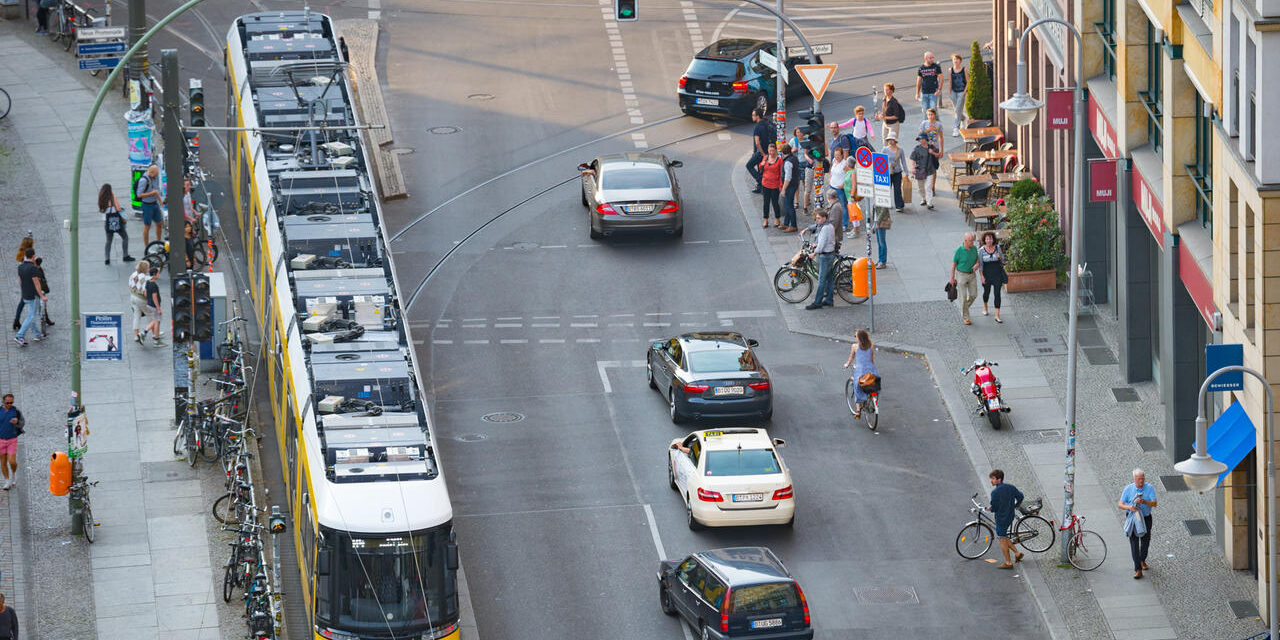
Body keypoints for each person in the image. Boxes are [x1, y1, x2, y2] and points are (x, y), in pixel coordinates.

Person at [1119, 468, 1157, 579]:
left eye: (1143, 478)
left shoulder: (1149, 488)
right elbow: (1120, 504)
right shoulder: (1128, 489)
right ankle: (1138, 569)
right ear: (1134, 479)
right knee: (1134, 543)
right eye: (1139, 479)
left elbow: (1154, 503)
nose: (1141, 481)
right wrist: (1129, 507)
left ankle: (1142, 560)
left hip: (1145, 517)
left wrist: (1145, 501)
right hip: (1133, 518)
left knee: (1145, 542)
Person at [988, 469, 1025, 569]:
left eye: (993, 479)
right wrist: (1015, 505)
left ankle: (1008, 563)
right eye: (990, 479)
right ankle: (1017, 553)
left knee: (1002, 539)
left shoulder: (995, 492)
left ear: (999, 479)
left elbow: (994, 508)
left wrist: (990, 508)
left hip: (1001, 518)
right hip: (1010, 515)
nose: (991, 481)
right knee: (1003, 535)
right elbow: (1021, 496)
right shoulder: (1011, 487)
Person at [804, 209, 837, 310]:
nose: (817, 220)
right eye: (816, 218)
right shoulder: (829, 226)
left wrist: (814, 253)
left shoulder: (825, 228)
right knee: (829, 279)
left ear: (824, 218)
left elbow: (822, 244)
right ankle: (829, 300)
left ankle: (817, 302)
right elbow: (827, 241)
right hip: (830, 254)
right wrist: (817, 244)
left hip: (825, 256)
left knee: (821, 280)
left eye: (818, 218)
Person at [842, 329, 879, 418]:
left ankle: (858, 411)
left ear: (859, 338)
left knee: (857, 387)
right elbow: (871, 359)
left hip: (861, 370)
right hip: (870, 369)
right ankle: (871, 398)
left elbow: (851, 358)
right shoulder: (871, 346)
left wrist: (847, 364)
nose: (855, 338)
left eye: (856, 336)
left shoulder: (854, 346)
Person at [13, 249, 45, 346]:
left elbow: (20, 281)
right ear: (33, 256)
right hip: (32, 295)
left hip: (25, 294)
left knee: (31, 315)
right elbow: (37, 283)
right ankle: (19, 335)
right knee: (31, 316)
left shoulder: (20, 267)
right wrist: (42, 296)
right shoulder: (33, 269)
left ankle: (37, 334)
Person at [99, 183, 135, 266]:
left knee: (108, 241)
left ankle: (107, 258)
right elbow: (118, 209)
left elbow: (102, 210)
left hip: (107, 222)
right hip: (116, 221)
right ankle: (125, 255)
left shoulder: (101, 199)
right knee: (125, 237)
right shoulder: (112, 197)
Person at [949, 232, 980, 325]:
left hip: (972, 274)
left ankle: (964, 308)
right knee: (962, 297)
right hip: (961, 275)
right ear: (965, 241)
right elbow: (953, 265)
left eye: (973, 241)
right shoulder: (959, 250)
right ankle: (966, 317)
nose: (972, 243)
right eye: (970, 241)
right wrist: (952, 278)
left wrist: (977, 264)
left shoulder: (974, 249)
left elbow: (977, 259)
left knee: (973, 295)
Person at [978, 231, 1007, 322]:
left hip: (997, 274)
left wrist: (1000, 257)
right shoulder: (981, 250)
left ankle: (997, 315)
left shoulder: (997, 248)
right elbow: (981, 265)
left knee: (997, 294)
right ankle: (985, 307)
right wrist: (982, 276)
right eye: (987, 239)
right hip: (987, 274)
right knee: (986, 292)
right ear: (984, 240)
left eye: (990, 238)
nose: (989, 240)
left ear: (993, 239)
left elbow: (1003, 260)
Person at [909, 133, 940, 209]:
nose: (921, 140)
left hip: (930, 170)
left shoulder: (932, 147)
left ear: (926, 139)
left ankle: (929, 203)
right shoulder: (916, 149)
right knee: (920, 188)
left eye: (922, 139)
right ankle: (924, 198)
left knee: (928, 187)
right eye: (920, 139)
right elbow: (913, 159)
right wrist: (913, 168)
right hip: (920, 170)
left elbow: (938, 155)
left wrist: (932, 152)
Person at [757, 143, 784, 229]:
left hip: (775, 184)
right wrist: (762, 163)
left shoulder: (779, 160)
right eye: (770, 151)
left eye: (773, 150)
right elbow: (760, 167)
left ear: (776, 150)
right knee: (766, 202)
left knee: (775, 202)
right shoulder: (765, 158)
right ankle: (765, 219)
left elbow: (781, 174)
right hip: (765, 183)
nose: (771, 152)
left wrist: (780, 185)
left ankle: (777, 218)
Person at [136, 164, 163, 248]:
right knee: (147, 226)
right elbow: (139, 194)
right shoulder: (144, 180)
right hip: (147, 205)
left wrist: (160, 201)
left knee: (159, 223)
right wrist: (151, 193)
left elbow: (156, 191)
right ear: (151, 173)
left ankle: (159, 243)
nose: (157, 176)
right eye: (156, 174)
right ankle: (146, 246)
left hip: (154, 203)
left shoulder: (154, 177)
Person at [746, 109, 773, 193]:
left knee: (749, 165)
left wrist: (762, 154)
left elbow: (757, 143)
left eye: (753, 115)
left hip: (762, 152)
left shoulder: (757, 127)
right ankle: (760, 188)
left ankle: (761, 181)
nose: (752, 117)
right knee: (762, 169)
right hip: (770, 151)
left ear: (758, 116)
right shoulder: (767, 123)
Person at [11, 236, 32, 332]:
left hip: (23, 279)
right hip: (28, 280)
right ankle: (17, 321)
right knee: (28, 300)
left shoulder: (21, 253)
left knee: (22, 301)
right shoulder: (27, 255)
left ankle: (16, 320)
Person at [947, 53, 970, 137]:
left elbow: (968, 81)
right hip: (953, 91)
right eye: (954, 59)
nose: (955, 61)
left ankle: (956, 128)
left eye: (957, 59)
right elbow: (950, 81)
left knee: (957, 110)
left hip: (961, 91)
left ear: (960, 60)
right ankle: (963, 118)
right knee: (958, 109)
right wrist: (949, 92)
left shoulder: (964, 69)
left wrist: (964, 91)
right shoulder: (950, 70)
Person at [779, 144, 801, 232]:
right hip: (795, 183)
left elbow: (788, 177)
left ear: (783, 152)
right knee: (788, 204)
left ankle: (793, 225)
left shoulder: (787, 162)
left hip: (789, 185)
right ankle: (786, 223)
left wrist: (783, 189)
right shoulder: (794, 158)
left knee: (789, 205)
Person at [129, 260, 152, 343]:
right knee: (150, 314)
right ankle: (154, 332)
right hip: (141, 299)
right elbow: (145, 292)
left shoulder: (133, 274)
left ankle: (136, 335)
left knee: (136, 316)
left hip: (133, 297)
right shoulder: (144, 278)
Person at [884, 132, 907, 212]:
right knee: (886, 188)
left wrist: (906, 172)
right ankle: (886, 203)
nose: (890, 141)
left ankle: (899, 206)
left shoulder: (900, 150)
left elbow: (903, 161)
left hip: (897, 172)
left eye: (892, 139)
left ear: (895, 140)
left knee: (897, 189)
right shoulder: (884, 150)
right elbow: (880, 161)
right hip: (887, 172)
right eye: (889, 139)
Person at [0, 395, 19, 491]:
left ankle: (14, 473)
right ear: (3, 402)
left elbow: (22, 422)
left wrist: (17, 421)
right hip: (1, 440)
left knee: (12, 461)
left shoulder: (15, 411)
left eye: (11, 402)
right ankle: (7, 481)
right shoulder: (0, 411)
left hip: (12, 439)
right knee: (3, 463)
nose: (10, 404)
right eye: (8, 403)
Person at [143, 267, 166, 347]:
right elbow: (154, 297)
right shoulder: (154, 285)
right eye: (158, 273)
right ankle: (156, 340)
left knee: (155, 320)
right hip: (154, 306)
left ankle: (144, 333)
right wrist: (158, 308)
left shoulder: (148, 282)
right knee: (157, 322)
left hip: (149, 304)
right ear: (155, 274)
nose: (159, 275)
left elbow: (145, 293)